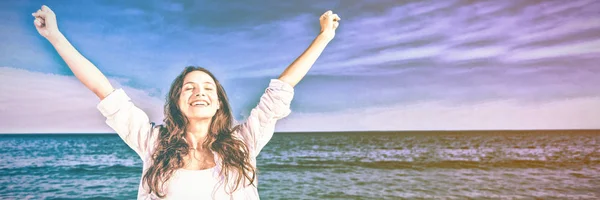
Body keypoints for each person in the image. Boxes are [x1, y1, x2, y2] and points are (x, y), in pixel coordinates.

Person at [32, 4, 340, 200]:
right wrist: (56, 37)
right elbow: (104, 90)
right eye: (188, 88)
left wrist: (324, 37)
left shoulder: (244, 142)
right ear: (177, 102)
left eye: (207, 87)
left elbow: (282, 87)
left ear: (219, 102)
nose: (199, 93)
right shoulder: (152, 141)